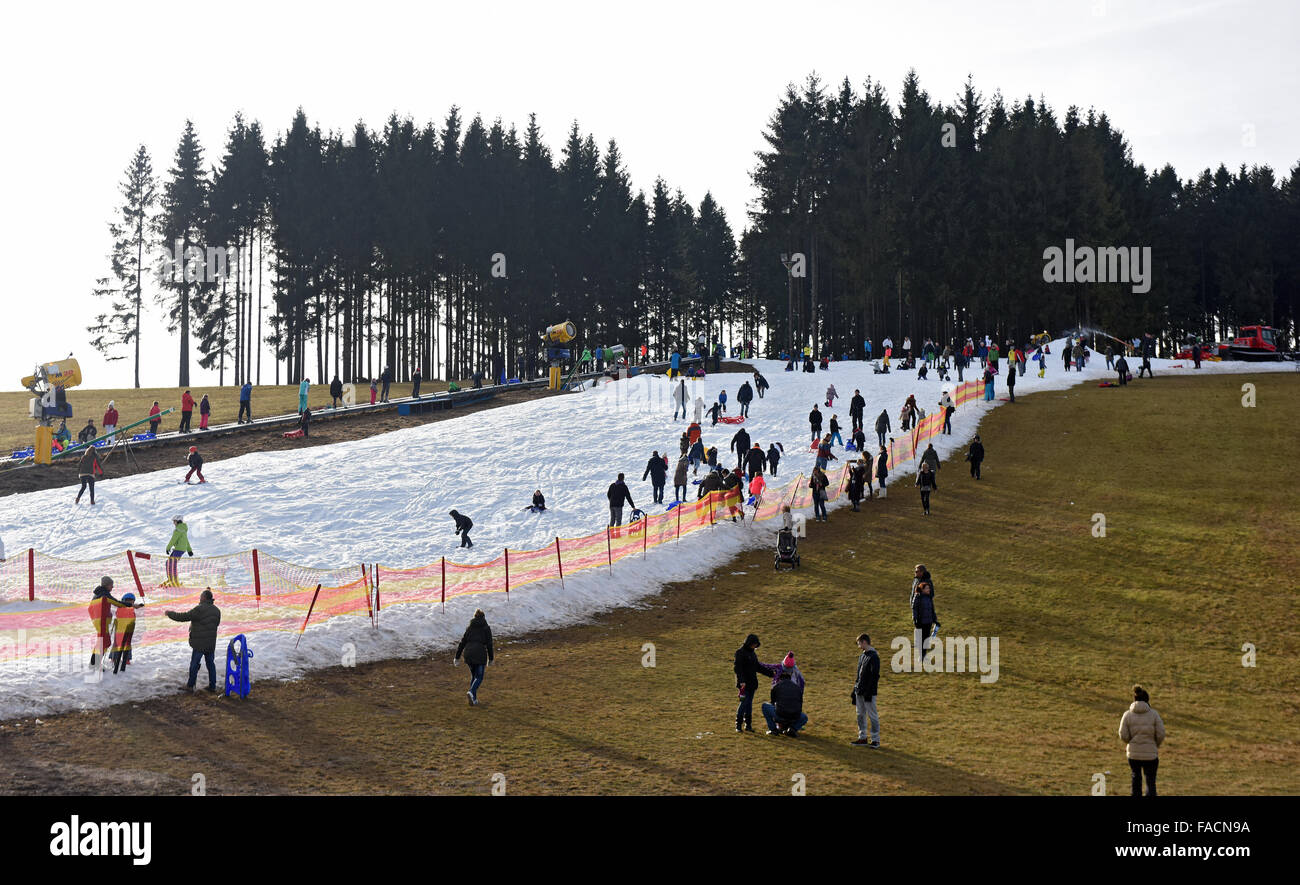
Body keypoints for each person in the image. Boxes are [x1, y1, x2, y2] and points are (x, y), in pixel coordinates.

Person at [165, 588, 221, 693]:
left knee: (194, 664)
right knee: (210, 664)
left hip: (199, 643)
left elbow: (183, 616)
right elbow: (216, 624)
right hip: (211, 643)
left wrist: (170, 613)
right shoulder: (217, 610)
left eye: (201, 596)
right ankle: (212, 686)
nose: (199, 598)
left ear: (204, 597)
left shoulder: (199, 609)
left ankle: (190, 686)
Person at [1119, 684, 1166, 796]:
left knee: (1136, 778)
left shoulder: (1127, 715)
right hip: (1151, 754)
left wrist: (1130, 742)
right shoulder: (1154, 715)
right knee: (1150, 781)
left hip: (1133, 754)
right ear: (1147, 700)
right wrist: (1155, 744)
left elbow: (1122, 734)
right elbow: (1161, 733)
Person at [87, 577, 144, 667]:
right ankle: (95, 665)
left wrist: (102, 617)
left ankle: (94, 663)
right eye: (111, 585)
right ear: (107, 585)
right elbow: (119, 603)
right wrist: (133, 605)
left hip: (100, 622)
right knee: (104, 642)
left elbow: (90, 609)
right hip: (102, 623)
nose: (112, 587)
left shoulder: (98, 594)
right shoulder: (104, 595)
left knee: (103, 642)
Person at [733, 633, 775, 733]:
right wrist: (742, 681)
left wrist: (771, 674)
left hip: (752, 684)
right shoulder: (740, 653)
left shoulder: (752, 654)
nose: (754, 646)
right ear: (749, 643)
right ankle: (738, 725)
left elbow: (758, 667)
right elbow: (738, 668)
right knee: (744, 703)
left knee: (749, 704)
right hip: (744, 684)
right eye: (753, 644)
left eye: (755, 645)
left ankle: (748, 725)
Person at [454, 609, 494, 706]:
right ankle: (471, 692)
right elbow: (489, 644)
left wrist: (457, 657)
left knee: (474, 676)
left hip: (468, 653)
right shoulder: (486, 628)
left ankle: (473, 699)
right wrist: (491, 658)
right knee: (479, 676)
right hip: (480, 654)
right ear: (483, 617)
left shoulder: (470, 627)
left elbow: (462, 642)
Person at [851, 633, 881, 747]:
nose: (858, 646)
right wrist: (855, 689)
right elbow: (859, 675)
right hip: (859, 691)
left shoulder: (874, 657)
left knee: (872, 715)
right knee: (860, 715)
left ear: (864, 642)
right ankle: (862, 737)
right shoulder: (862, 656)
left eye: (859, 643)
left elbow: (875, 676)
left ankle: (875, 739)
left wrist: (869, 691)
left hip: (868, 692)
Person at [762, 669, 808, 737]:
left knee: (765, 706)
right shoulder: (797, 688)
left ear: (780, 678)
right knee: (804, 717)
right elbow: (800, 704)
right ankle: (792, 729)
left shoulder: (776, 687)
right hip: (795, 717)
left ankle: (773, 729)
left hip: (781, 715)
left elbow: (772, 703)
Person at [109, 592, 139, 674]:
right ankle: (126, 659)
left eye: (131, 601)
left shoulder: (121, 607)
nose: (130, 603)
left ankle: (114, 658)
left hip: (121, 629)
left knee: (117, 644)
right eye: (129, 601)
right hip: (126, 629)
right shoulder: (130, 609)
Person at [911, 577, 937, 654]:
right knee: (921, 639)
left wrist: (934, 619)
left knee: (926, 639)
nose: (929, 590)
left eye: (929, 588)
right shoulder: (918, 597)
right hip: (920, 622)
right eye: (927, 588)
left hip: (928, 622)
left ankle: (923, 654)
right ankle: (921, 654)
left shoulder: (929, 598)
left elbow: (932, 609)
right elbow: (914, 608)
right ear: (922, 589)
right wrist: (915, 619)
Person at [165, 516, 192, 587]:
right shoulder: (183, 529)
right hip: (181, 549)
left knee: (170, 564)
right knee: (171, 563)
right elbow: (186, 540)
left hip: (178, 549)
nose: (173, 523)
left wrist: (168, 548)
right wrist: (189, 550)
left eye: (174, 521)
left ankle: (173, 581)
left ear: (177, 521)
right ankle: (172, 579)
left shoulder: (178, 530)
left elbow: (173, 539)